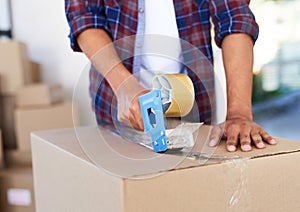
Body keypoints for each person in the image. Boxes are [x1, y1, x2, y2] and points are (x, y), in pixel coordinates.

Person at [65, 0, 277, 152]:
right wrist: (123, 85)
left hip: (193, 107)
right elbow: (85, 17)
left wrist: (239, 114)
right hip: (117, 101)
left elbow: (234, 16)